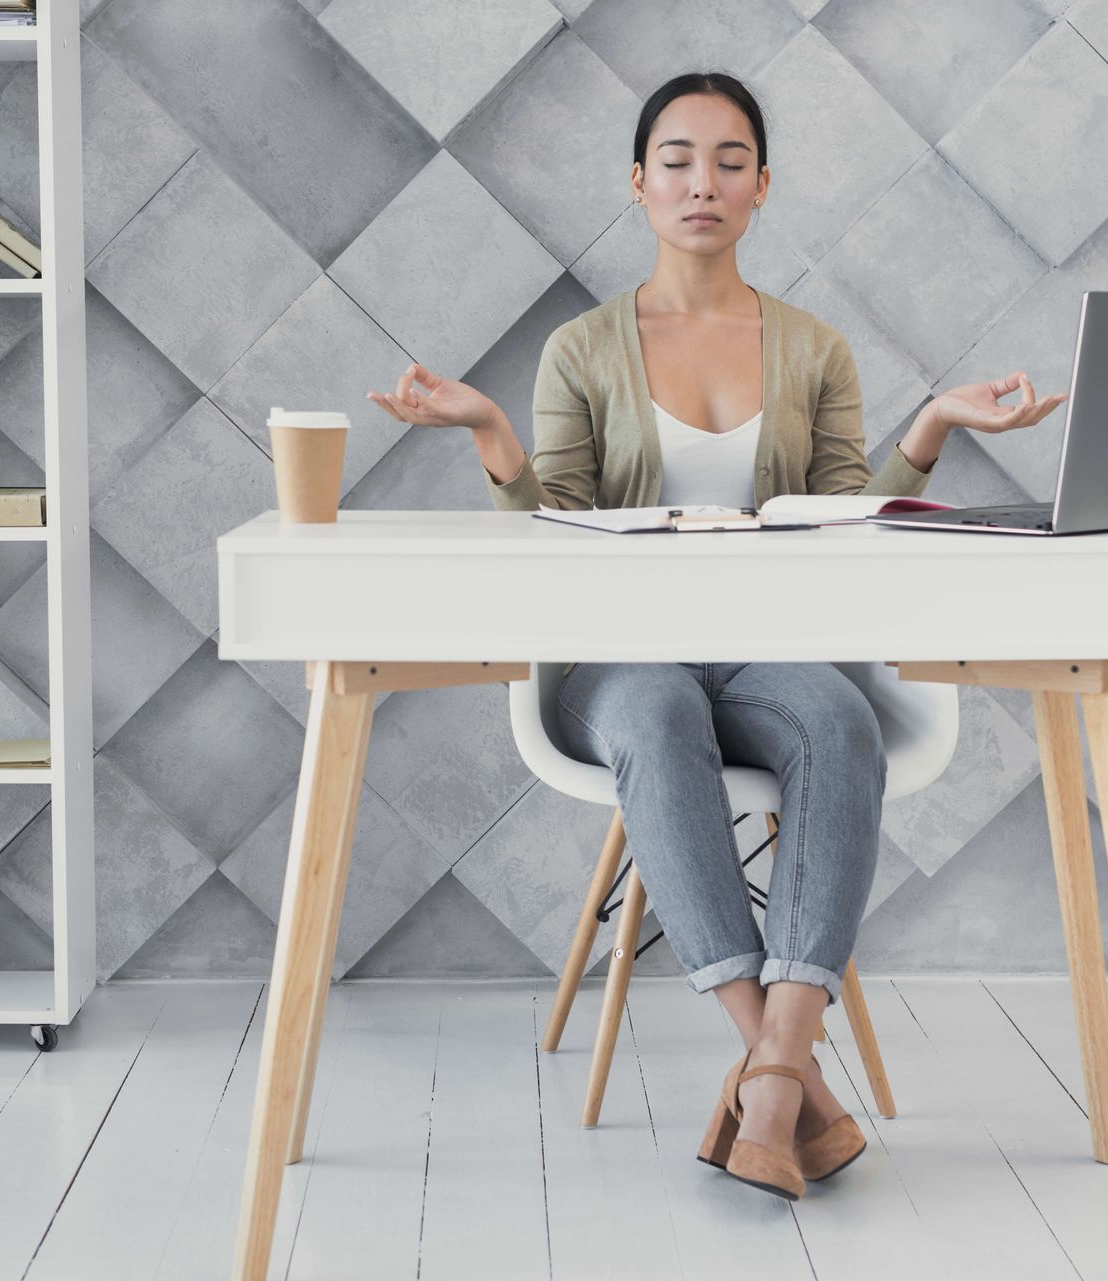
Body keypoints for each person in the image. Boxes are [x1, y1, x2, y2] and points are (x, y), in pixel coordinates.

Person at [366, 71, 1063, 1201]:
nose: (704, 182)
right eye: (678, 160)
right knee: (657, 711)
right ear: (638, 184)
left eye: (731, 160)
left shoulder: (814, 348)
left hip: (761, 648)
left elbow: (846, 518)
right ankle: (786, 1071)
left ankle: (771, 1077)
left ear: (763, 187)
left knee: (837, 721)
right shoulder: (581, 350)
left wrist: (931, 426)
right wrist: (491, 433)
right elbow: (561, 534)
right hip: (615, 658)